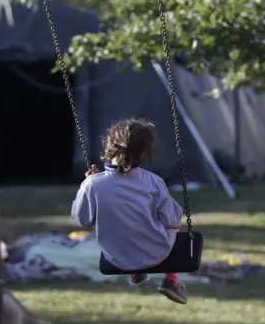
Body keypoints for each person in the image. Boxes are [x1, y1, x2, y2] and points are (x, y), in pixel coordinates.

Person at [70, 118, 188, 304]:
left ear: (109, 145)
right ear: (143, 153)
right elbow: (173, 220)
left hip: (117, 257)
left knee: (120, 223)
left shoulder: (93, 184)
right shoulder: (153, 182)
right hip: (156, 253)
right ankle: (171, 281)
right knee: (169, 226)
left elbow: (82, 219)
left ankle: (136, 272)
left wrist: (86, 185)